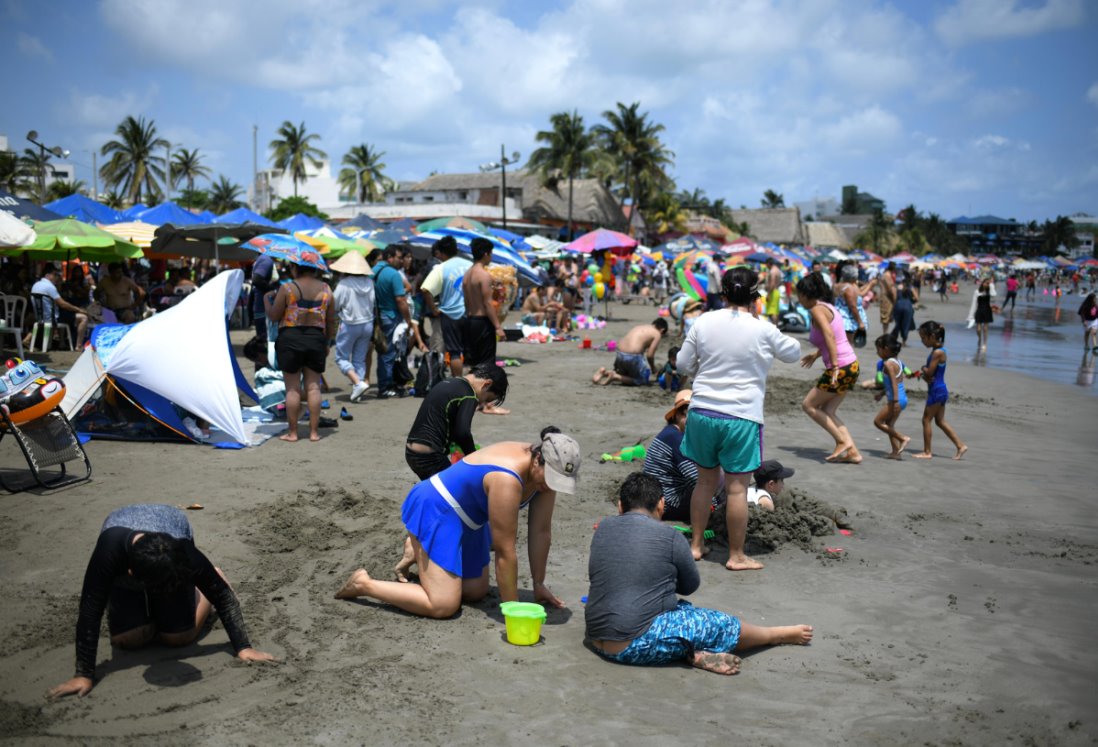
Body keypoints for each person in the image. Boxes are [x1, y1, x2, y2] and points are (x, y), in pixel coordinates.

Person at [336, 427, 580, 618]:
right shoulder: (507, 477)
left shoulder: (545, 476)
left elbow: (541, 531)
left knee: (475, 591)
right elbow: (505, 550)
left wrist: (539, 584)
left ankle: (419, 550)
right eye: (550, 478)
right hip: (438, 507)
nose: (550, 486)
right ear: (538, 459)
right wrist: (513, 611)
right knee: (443, 605)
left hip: (471, 519)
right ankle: (364, 584)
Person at [585, 473, 813, 674]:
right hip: (632, 645)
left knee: (681, 610)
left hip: (595, 637)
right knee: (716, 623)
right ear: (661, 505)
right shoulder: (670, 537)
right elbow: (690, 585)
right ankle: (776, 635)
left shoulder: (603, 528)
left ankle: (694, 654)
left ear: (620, 506)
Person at [47, 504, 275, 699]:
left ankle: (210, 579)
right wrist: (83, 675)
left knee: (178, 638)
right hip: (125, 546)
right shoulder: (108, 553)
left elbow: (224, 597)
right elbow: (90, 610)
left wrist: (243, 648)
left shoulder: (181, 550)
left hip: (169, 530)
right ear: (130, 573)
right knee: (129, 640)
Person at [675, 266, 802, 569]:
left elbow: (682, 364)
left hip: (703, 410)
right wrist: (763, 325)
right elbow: (794, 352)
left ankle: (695, 546)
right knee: (736, 488)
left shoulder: (704, 320)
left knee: (704, 483)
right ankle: (736, 556)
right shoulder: (763, 328)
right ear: (755, 297)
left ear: (723, 294)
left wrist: (702, 372)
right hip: (741, 415)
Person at [266, 262, 336, 442]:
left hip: (290, 339)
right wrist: (327, 342)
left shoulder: (287, 288)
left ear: (294, 268)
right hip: (316, 339)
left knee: (292, 389)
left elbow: (274, 316)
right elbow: (331, 321)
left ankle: (293, 433)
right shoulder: (326, 289)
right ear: (313, 269)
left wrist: (267, 300)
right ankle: (314, 433)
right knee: (313, 387)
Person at [798, 271, 863, 464]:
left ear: (804, 294)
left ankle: (842, 442)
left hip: (841, 367)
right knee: (828, 409)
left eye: (798, 295)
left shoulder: (816, 311)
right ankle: (853, 452)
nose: (797, 299)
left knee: (808, 405)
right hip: (851, 365)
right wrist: (816, 354)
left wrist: (834, 366)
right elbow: (834, 337)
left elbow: (829, 335)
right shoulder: (827, 306)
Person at [642, 389, 721, 523]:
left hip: (656, 500)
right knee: (721, 486)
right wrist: (713, 503)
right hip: (669, 503)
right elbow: (694, 477)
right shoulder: (676, 439)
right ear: (678, 415)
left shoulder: (669, 434)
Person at [911, 321, 968, 460]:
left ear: (932, 336)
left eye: (923, 338)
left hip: (936, 390)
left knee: (926, 420)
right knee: (940, 421)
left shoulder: (937, 353)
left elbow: (929, 373)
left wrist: (924, 369)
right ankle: (960, 446)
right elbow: (931, 374)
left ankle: (927, 452)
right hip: (939, 389)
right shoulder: (939, 350)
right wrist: (925, 373)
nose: (922, 341)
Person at [419, 235, 472, 378]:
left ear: (442, 253)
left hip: (450, 314)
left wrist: (434, 309)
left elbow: (425, 290)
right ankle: (471, 383)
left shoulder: (441, 268)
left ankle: (458, 382)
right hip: (470, 314)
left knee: (454, 353)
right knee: (470, 352)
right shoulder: (469, 265)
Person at [330, 251, 375, 402]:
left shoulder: (344, 284)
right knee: (359, 358)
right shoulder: (369, 282)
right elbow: (373, 303)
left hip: (350, 324)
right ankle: (358, 389)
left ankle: (357, 383)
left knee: (341, 357)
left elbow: (335, 305)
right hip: (367, 323)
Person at [861, 334, 910, 459]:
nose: (877, 352)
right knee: (889, 424)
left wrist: (894, 401)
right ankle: (895, 452)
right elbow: (894, 383)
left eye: (878, 349)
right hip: (901, 398)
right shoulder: (897, 362)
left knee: (878, 422)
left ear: (886, 349)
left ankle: (902, 438)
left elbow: (894, 383)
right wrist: (881, 394)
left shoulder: (888, 364)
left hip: (896, 399)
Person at [462, 237, 506, 370]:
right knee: (486, 363)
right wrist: (498, 326)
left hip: (470, 320)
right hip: (482, 322)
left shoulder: (467, 274)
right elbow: (487, 303)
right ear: (486, 254)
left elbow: (466, 301)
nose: (491, 257)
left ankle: (472, 388)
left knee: (474, 363)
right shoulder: (483, 275)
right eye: (491, 254)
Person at [592, 318, 668, 386]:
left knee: (625, 374)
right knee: (641, 380)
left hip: (619, 353)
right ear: (662, 330)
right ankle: (615, 377)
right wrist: (653, 368)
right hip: (632, 357)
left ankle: (604, 372)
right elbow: (650, 355)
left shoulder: (639, 327)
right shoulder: (657, 334)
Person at [31, 264, 90, 348]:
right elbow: (62, 304)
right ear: (48, 275)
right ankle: (78, 346)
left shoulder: (36, 285)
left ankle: (62, 342)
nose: (57, 277)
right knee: (84, 317)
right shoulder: (49, 286)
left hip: (41, 317)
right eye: (55, 275)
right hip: (52, 318)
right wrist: (79, 310)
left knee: (64, 314)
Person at [832, 261, 868, 346]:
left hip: (837, 317)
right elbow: (852, 306)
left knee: (838, 344)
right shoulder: (849, 288)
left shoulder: (836, 286)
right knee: (847, 345)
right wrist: (860, 322)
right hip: (847, 320)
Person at [891, 267, 918, 344]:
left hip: (898, 305)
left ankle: (894, 337)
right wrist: (912, 300)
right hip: (908, 306)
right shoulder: (911, 287)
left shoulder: (898, 287)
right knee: (906, 323)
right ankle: (904, 341)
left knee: (898, 323)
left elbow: (894, 298)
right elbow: (917, 298)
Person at [968, 277, 996, 350]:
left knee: (985, 328)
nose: (987, 285)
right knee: (978, 329)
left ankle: (985, 343)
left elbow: (994, 294)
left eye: (988, 283)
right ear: (982, 283)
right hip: (979, 310)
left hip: (987, 310)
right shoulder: (977, 291)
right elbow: (974, 303)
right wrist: (970, 315)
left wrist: (991, 285)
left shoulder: (990, 291)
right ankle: (979, 338)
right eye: (986, 283)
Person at [764, 258, 783, 324]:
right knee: (775, 311)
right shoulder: (778, 270)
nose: (766, 266)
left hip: (772, 292)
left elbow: (772, 283)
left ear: (769, 264)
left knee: (772, 312)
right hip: (776, 291)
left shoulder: (772, 271)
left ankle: (774, 327)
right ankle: (776, 327)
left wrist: (768, 294)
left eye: (766, 265)